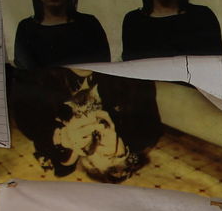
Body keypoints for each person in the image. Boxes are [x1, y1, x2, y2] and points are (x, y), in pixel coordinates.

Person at [10, 68, 162, 184]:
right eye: (112, 155)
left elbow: (28, 119)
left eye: (90, 156)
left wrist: (63, 139)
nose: (102, 148)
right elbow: (149, 126)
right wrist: (124, 143)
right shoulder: (141, 131)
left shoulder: (44, 129)